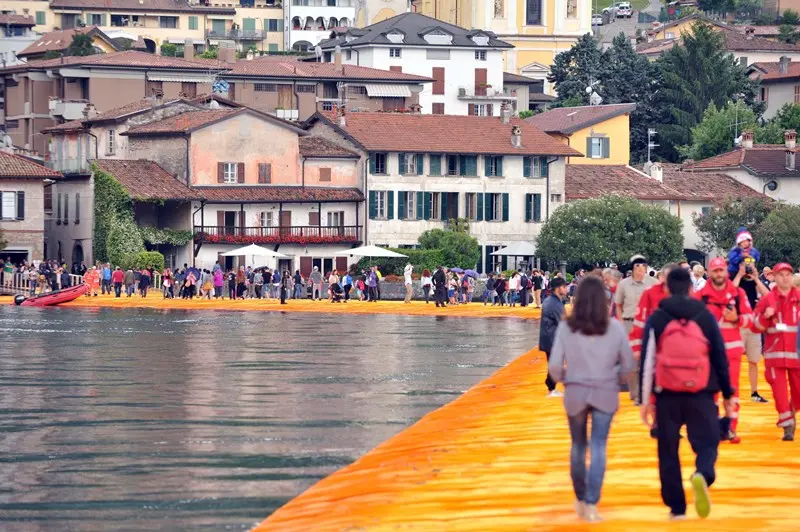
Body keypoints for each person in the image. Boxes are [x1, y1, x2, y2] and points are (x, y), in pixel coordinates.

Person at [639, 268, 733, 520]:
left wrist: (646, 400)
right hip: (701, 392)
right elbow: (719, 357)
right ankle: (703, 473)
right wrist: (727, 394)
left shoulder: (658, 318)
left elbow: (647, 361)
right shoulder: (704, 316)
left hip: (666, 394)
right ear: (691, 288)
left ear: (667, 288)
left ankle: (676, 507)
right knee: (708, 441)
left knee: (668, 449)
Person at [549, 276, 635, 522]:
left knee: (578, 446)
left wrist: (569, 378)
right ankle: (592, 504)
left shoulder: (566, 327)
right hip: (605, 391)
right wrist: (612, 377)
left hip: (575, 392)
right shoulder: (615, 328)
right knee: (598, 446)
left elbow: (554, 367)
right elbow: (629, 365)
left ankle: (579, 496)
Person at [695, 257, 753, 443]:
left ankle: (729, 429)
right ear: (709, 272)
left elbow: (750, 320)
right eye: (715, 270)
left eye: (721, 270)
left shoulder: (738, 293)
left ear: (726, 271)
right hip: (708, 353)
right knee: (709, 392)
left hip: (732, 351)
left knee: (732, 392)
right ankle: (712, 429)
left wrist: (736, 318)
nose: (719, 273)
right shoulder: (700, 296)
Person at [753, 262, 800, 441]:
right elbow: (755, 326)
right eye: (781, 274)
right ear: (774, 276)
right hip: (775, 356)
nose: (785, 277)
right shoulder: (767, 300)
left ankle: (790, 412)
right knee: (779, 394)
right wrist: (766, 317)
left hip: (797, 355)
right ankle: (787, 425)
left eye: (788, 274)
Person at [629, 263, 678, 404]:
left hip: (677, 343)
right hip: (653, 341)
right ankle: (643, 396)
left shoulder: (686, 293)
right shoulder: (650, 293)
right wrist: (637, 347)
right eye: (665, 277)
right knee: (647, 370)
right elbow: (639, 322)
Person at [540, 277, 568, 398]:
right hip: (553, 339)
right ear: (557, 288)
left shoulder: (551, 301)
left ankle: (551, 387)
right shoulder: (554, 303)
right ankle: (551, 388)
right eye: (564, 287)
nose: (566, 289)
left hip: (550, 338)